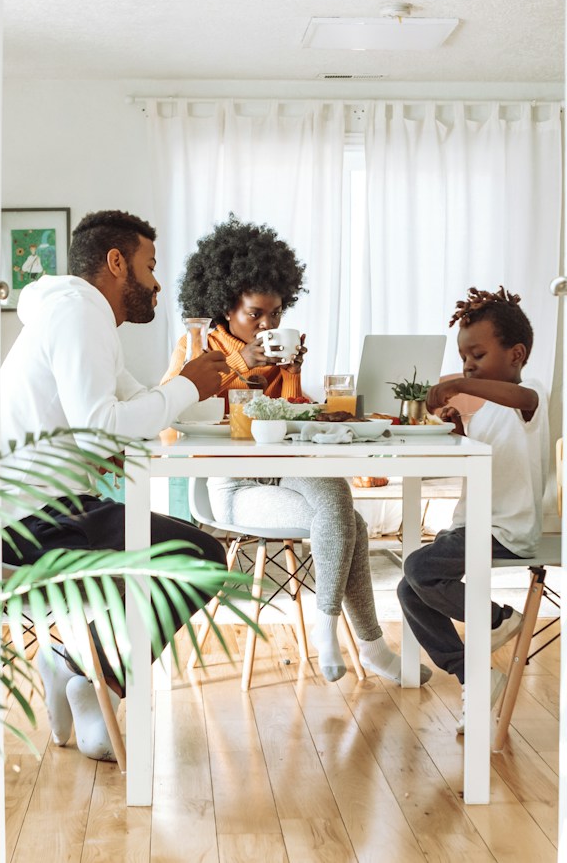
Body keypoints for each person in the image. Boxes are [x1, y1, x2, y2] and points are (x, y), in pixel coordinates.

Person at [1, 209, 230, 761]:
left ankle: (77, 667)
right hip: (26, 522)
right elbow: (104, 425)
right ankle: (85, 675)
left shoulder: (78, 315)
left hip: (45, 506)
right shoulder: (80, 315)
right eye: (150, 267)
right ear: (115, 262)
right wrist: (186, 385)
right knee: (201, 557)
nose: (155, 284)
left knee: (185, 550)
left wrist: (180, 391)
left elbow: (126, 407)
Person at [161, 217, 412, 683]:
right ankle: (366, 645)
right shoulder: (195, 347)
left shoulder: (277, 351)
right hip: (231, 484)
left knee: (338, 496)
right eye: (255, 313)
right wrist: (238, 363)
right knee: (349, 521)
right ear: (224, 304)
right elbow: (170, 420)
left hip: (283, 470)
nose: (267, 324)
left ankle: (328, 629)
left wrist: (293, 373)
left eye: (276, 314)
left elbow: (286, 420)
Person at [395, 286, 555, 732]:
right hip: (471, 524)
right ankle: (475, 675)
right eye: (464, 358)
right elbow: (482, 458)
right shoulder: (487, 411)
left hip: (505, 529)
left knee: (420, 570)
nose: (467, 366)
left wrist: (461, 385)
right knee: (410, 589)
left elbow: (521, 403)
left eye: (477, 355)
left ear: (517, 354)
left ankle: (500, 619)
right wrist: (460, 426)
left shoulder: (530, 396)